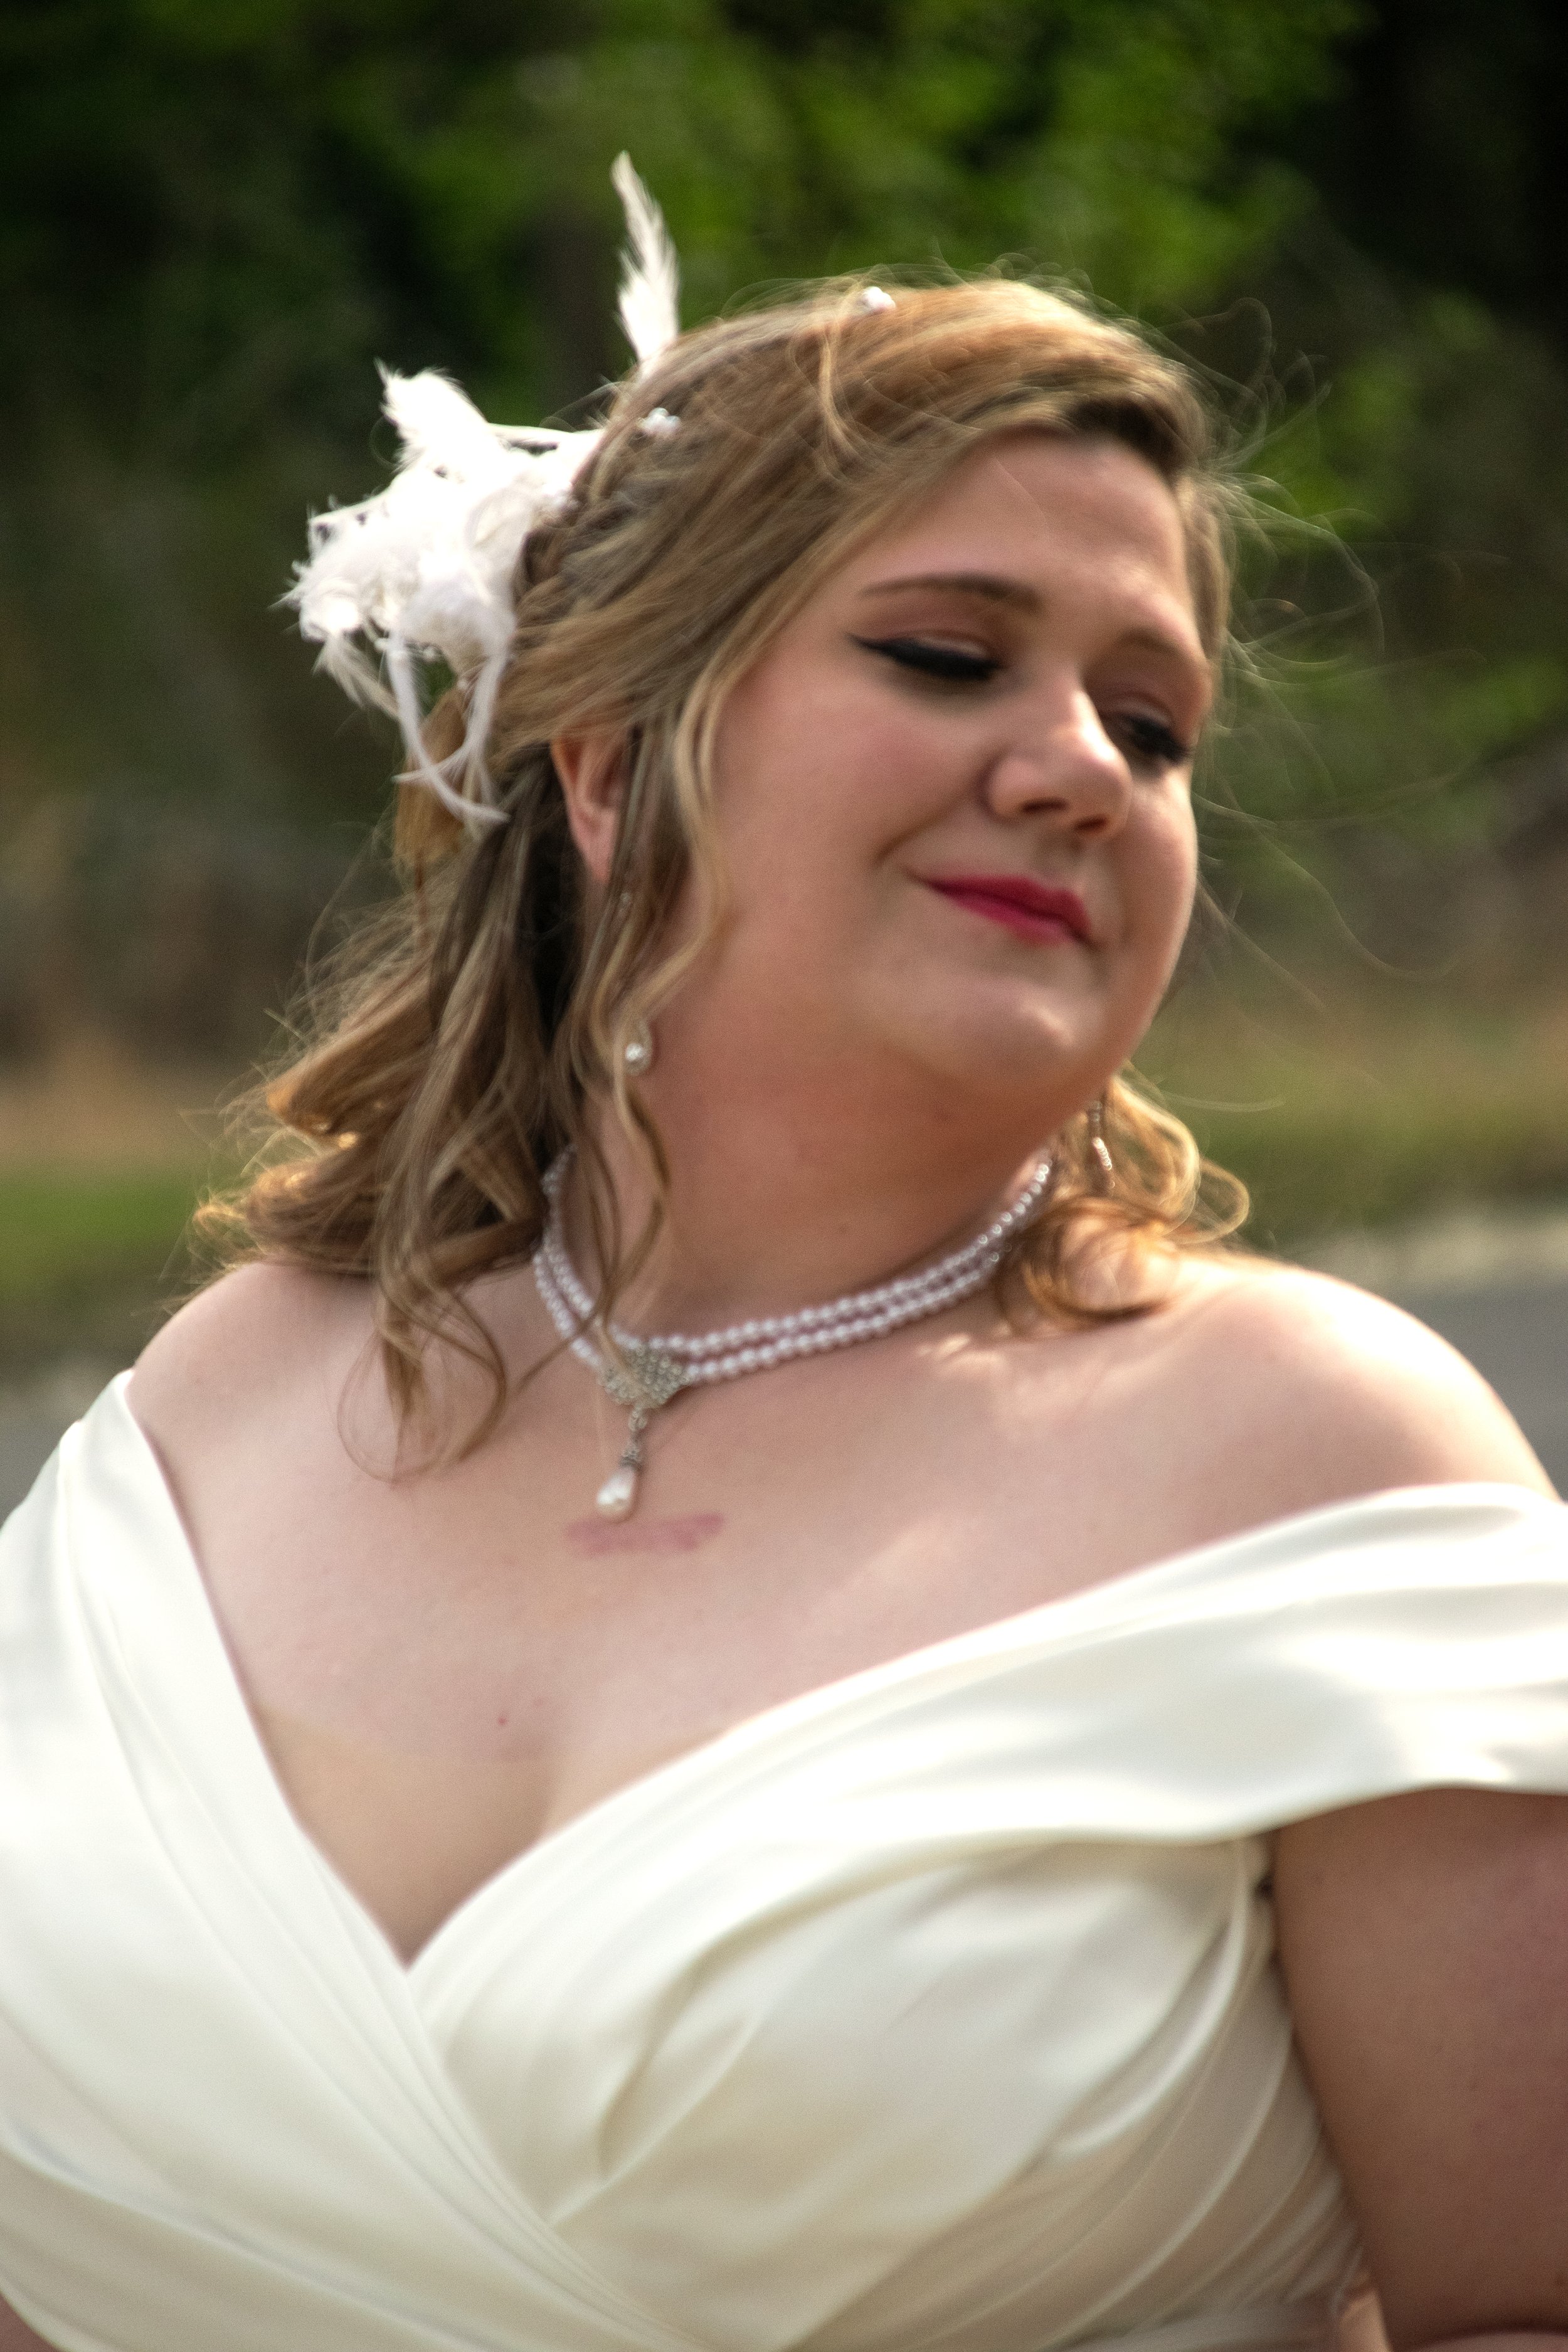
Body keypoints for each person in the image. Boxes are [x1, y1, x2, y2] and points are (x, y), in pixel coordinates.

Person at [3, 167, 1567, 2352]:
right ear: (605, 763)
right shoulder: (218, 1409)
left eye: (1153, 725)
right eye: (946, 656)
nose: (1081, 769)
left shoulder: (1315, 1461)